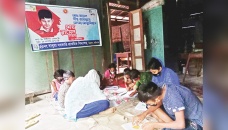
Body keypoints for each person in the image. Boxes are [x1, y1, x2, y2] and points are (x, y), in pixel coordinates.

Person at [134, 82, 203, 130]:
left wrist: (154, 124)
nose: (149, 105)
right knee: (151, 109)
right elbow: (157, 103)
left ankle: (171, 125)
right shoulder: (159, 88)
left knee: (175, 126)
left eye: (149, 103)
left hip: (195, 122)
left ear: (157, 99)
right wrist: (143, 114)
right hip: (182, 115)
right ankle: (171, 125)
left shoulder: (173, 98)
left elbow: (181, 125)